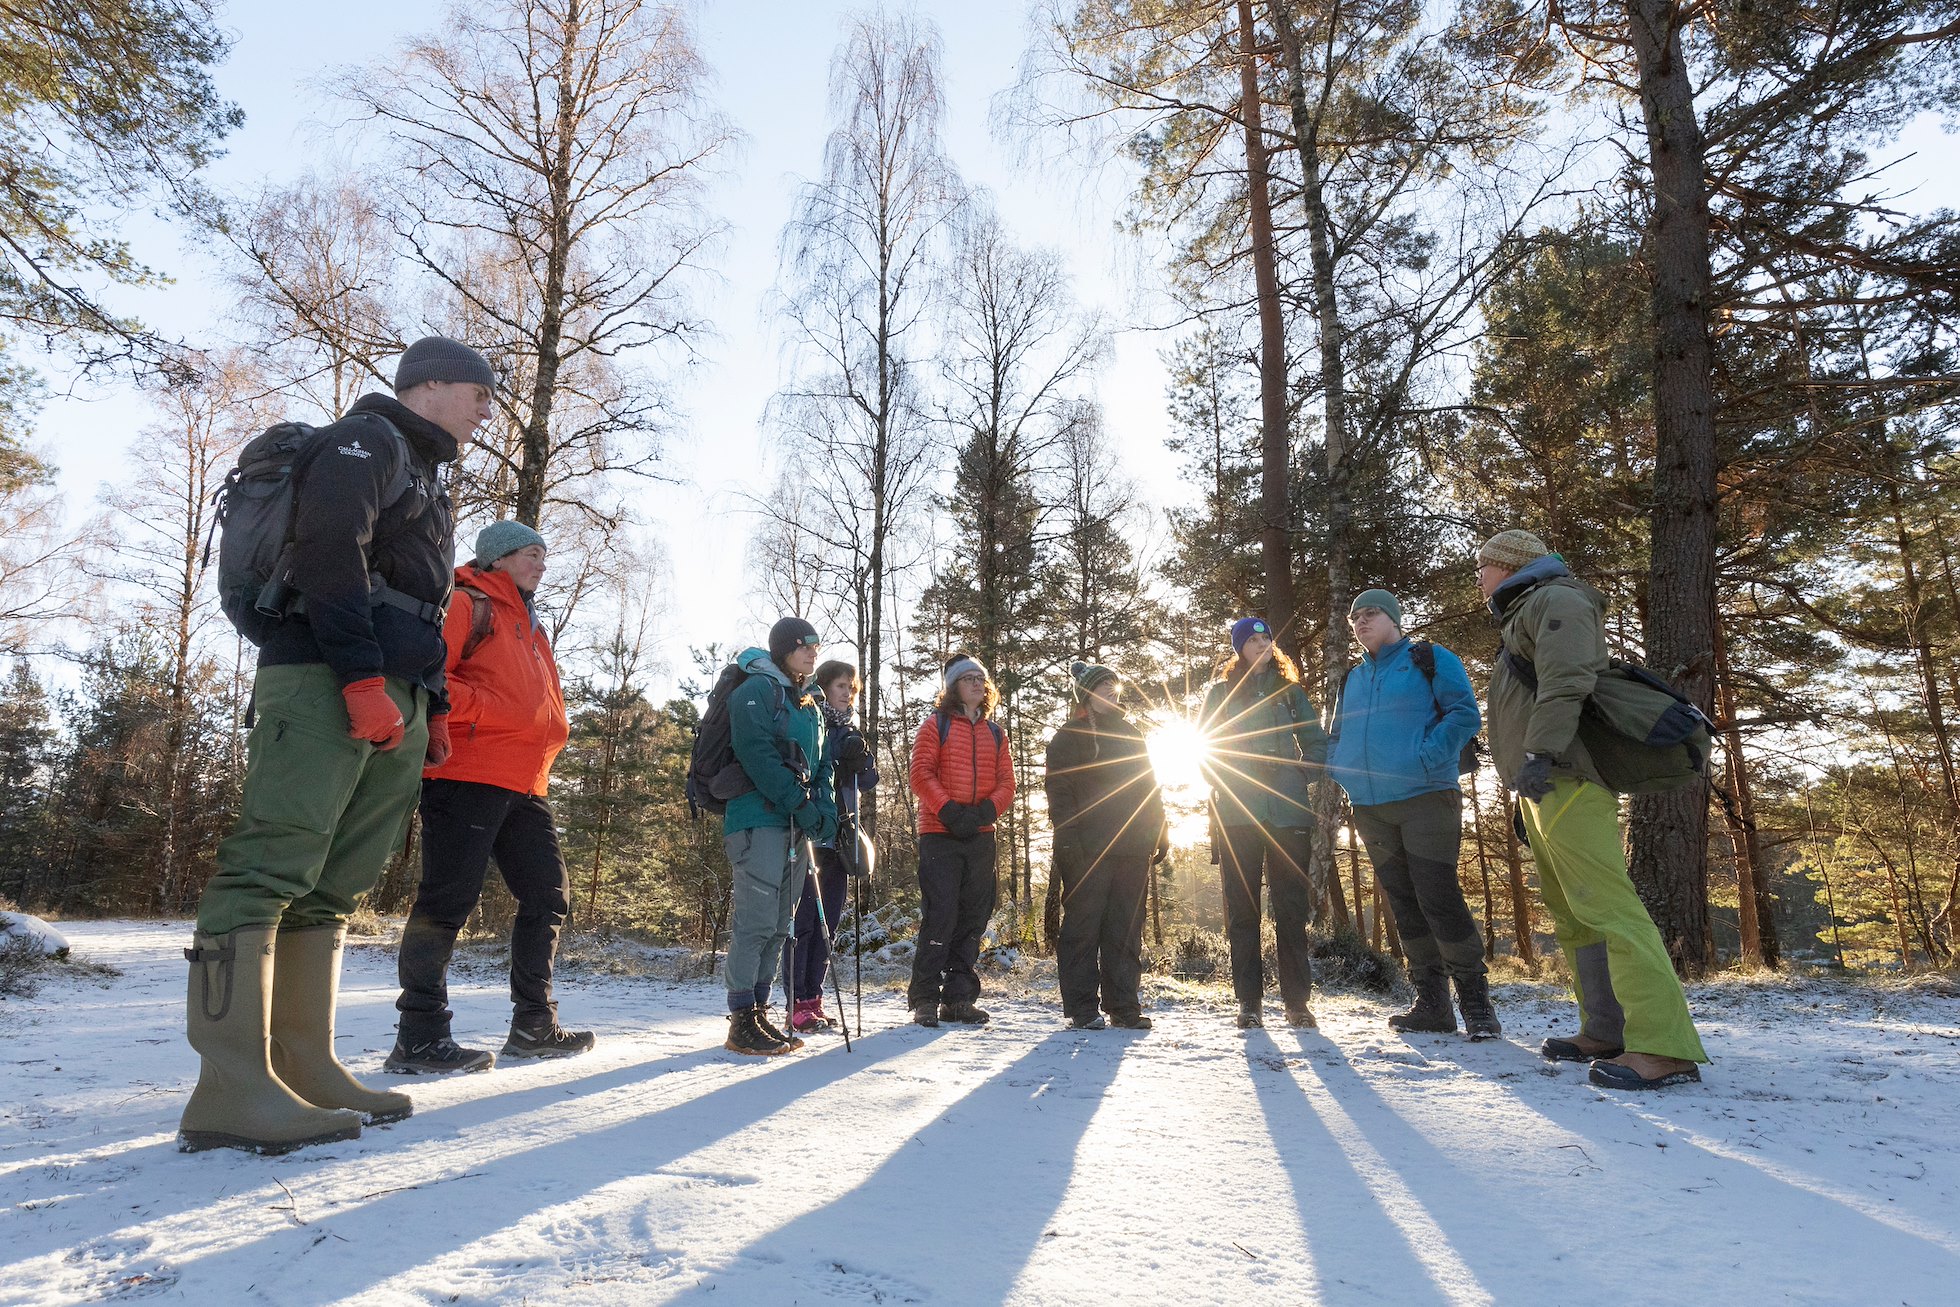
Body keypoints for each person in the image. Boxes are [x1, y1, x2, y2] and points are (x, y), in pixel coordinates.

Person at [180, 336, 490, 1153]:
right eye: (478, 391)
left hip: (396, 689)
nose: (487, 408)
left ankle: (303, 1065)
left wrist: (434, 700)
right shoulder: (367, 440)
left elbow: (420, 599)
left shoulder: (424, 469)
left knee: (331, 885)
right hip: (323, 678)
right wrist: (358, 676)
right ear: (429, 386)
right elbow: (328, 550)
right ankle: (228, 1088)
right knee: (269, 865)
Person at [1477, 529, 1709, 1090]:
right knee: (1576, 916)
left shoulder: (1557, 599)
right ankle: (1606, 1028)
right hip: (1541, 785)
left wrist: (1541, 754)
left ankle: (1664, 1046)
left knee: (1610, 909)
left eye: (1483, 567)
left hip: (1566, 775)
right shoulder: (1524, 613)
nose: (1479, 578)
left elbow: (1566, 682)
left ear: (1509, 565)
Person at [384, 522, 590, 1074]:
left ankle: (533, 1026)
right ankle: (419, 1036)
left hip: (526, 782)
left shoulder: (531, 624)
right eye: (532, 554)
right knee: (447, 900)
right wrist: (492, 711)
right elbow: (430, 675)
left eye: (545, 554)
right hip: (468, 771)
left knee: (548, 896)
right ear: (498, 558)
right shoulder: (469, 604)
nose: (542, 564)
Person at [1328, 589, 1497, 1038]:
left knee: (1437, 896)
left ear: (1395, 618)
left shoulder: (1430, 658)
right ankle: (1433, 1006)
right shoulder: (1353, 678)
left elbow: (1464, 714)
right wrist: (1338, 768)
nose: (1361, 622)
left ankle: (1477, 1006)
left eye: (1371, 613)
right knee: (1404, 903)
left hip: (1427, 796)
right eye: (1355, 617)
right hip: (1370, 807)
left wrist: (1426, 758)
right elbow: (1337, 733)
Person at [1198, 618, 1330, 1030]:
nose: (1262, 645)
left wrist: (1300, 776)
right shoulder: (1220, 693)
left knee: (1290, 909)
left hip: (1288, 813)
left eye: (1266, 638)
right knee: (1243, 911)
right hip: (1237, 816)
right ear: (1239, 649)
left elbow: (1315, 741)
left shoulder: (1290, 692)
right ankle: (1249, 1003)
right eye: (1252, 640)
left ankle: (1297, 1003)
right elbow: (1204, 748)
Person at [719, 618, 837, 1056]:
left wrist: (824, 811)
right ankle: (741, 1017)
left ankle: (760, 1012)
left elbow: (823, 763)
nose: (811, 652)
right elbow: (758, 756)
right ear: (782, 650)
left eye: (815, 645)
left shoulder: (809, 702)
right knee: (755, 920)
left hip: (793, 824)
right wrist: (799, 804)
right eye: (803, 645)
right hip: (756, 819)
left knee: (779, 923)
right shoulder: (755, 690)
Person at [1044, 661, 1168, 1031]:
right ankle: (1082, 1008)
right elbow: (1060, 793)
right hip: (1086, 849)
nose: (1113, 693)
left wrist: (1160, 830)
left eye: (1115, 687)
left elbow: (1149, 786)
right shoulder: (1067, 738)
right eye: (1104, 688)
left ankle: (1123, 1006)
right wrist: (1068, 842)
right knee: (1083, 928)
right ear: (1087, 694)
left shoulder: (1132, 734)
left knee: (1125, 929)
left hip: (1133, 846)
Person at [907, 654, 1015, 1028]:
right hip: (940, 833)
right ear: (953, 687)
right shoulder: (935, 725)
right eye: (968, 678)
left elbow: (1007, 784)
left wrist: (985, 813)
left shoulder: (996, 733)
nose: (976, 684)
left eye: (980, 679)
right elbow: (921, 774)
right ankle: (924, 998)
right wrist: (950, 811)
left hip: (981, 835)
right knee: (941, 915)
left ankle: (958, 998)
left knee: (973, 917)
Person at [786, 659, 877, 1034]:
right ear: (823, 687)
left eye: (851, 688)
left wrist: (859, 755)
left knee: (830, 924)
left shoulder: (850, 730)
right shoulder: (811, 722)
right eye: (841, 685)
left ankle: (814, 999)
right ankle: (796, 1002)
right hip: (811, 836)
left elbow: (868, 779)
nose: (847, 693)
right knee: (805, 922)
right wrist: (840, 754)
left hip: (841, 839)